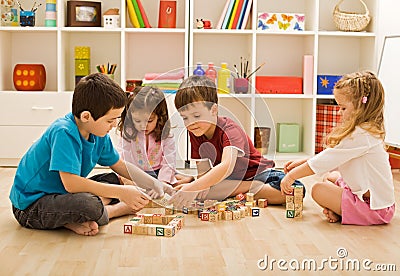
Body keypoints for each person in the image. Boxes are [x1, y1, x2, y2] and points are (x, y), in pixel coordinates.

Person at [9, 73, 171, 236]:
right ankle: (112, 210)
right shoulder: (63, 132)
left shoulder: (98, 134)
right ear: (86, 116)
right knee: (89, 205)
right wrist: (122, 193)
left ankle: (72, 219)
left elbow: (119, 165)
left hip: (61, 194)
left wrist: (154, 184)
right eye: (110, 120)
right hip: (30, 206)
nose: (114, 125)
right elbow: (71, 184)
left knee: (114, 179)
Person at [169, 75, 304, 208]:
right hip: (229, 181)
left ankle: (248, 188)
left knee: (297, 190)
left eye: (196, 115)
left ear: (214, 110)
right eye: (185, 118)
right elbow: (203, 173)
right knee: (205, 190)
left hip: (260, 174)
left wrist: (194, 187)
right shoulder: (196, 131)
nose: (191, 123)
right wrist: (198, 187)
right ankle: (245, 190)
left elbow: (226, 166)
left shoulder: (230, 129)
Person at [281, 71, 395, 225]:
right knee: (329, 177)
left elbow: (326, 160)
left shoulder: (362, 135)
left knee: (318, 190)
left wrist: (292, 176)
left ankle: (345, 212)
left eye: (343, 108)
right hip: (369, 198)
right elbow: (332, 156)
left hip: (375, 208)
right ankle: (342, 211)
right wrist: (302, 162)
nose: (339, 112)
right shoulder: (364, 130)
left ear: (362, 106)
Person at [117, 86, 178, 186]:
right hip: (135, 173)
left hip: (158, 173)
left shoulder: (166, 135)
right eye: (137, 121)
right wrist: (127, 179)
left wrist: (162, 182)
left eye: (149, 121)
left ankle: (179, 178)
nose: (143, 126)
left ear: (160, 117)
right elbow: (122, 157)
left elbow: (168, 161)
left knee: (171, 182)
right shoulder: (129, 132)